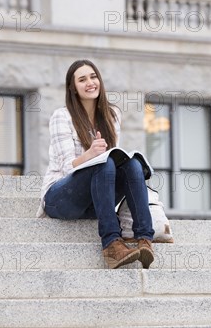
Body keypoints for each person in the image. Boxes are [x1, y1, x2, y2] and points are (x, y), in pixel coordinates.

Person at [37, 59, 155, 269]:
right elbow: (66, 167)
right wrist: (90, 153)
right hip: (61, 198)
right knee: (104, 163)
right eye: (82, 80)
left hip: (96, 200)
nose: (90, 83)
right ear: (73, 88)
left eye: (93, 77)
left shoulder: (112, 114)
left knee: (132, 165)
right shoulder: (61, 116)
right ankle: (111, 243)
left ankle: (144, 238)